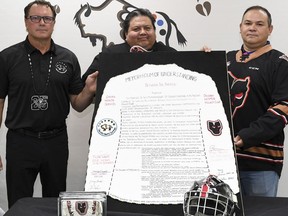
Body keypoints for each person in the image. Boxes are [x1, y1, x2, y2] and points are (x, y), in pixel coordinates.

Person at [0, 0, 98, 208]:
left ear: (54, 23)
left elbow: (78, 105)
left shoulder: (68, 58)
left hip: (56, 141)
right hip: (20, 141)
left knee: (55, 203)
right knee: (19, 203)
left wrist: (88, 90)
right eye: (35, 18)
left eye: (47, 18)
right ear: (26, 22)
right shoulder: (7, 58)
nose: (41, 22)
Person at [227, 5, 288, 197]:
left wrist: (248, 136)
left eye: (259, 24)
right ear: (240, 27)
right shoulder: (224, 59)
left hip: (261, 164)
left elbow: (284, 108)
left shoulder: (280, 63)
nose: (252, 28)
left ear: (270, 29)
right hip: (224, 163)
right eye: (248, 23)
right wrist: (203, 61)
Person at [82, 8, 177, 81]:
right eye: (136, 29)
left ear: (154, 31)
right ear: (126, 33)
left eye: (147, 28)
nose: (143, 32)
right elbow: (88, 83)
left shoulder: (170, 54)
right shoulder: (110, 55)